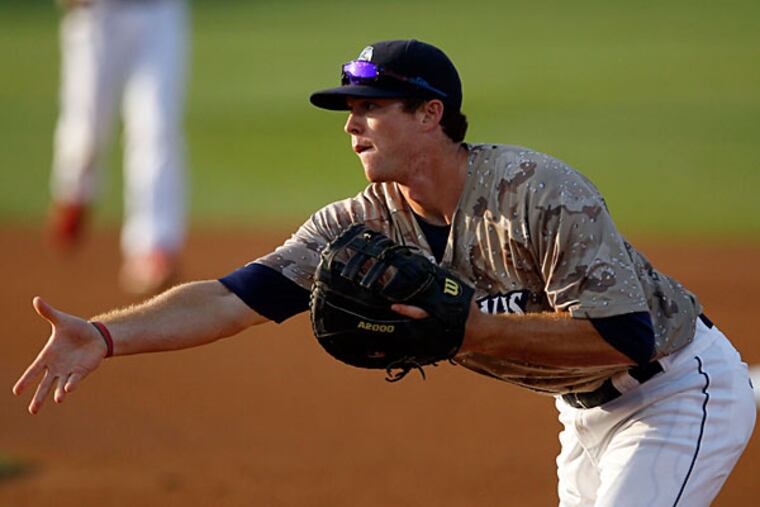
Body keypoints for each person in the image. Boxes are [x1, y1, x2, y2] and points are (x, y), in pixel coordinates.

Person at [15, 40, 755, 506]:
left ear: (431, 114)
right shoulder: (359, 224)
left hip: (675, 391)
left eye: (370, 107)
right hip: (582, 417)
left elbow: (623, 337)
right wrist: (105, 337)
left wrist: (469, 327)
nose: (350, 124)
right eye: (348, 108)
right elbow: (234, 298)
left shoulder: (538, 193)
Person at [47, 0, 189, 294]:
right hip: (97, 15)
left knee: (156, 124)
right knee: (86, 128)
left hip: (159, 13)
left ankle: (153, 243)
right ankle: (75, 190)